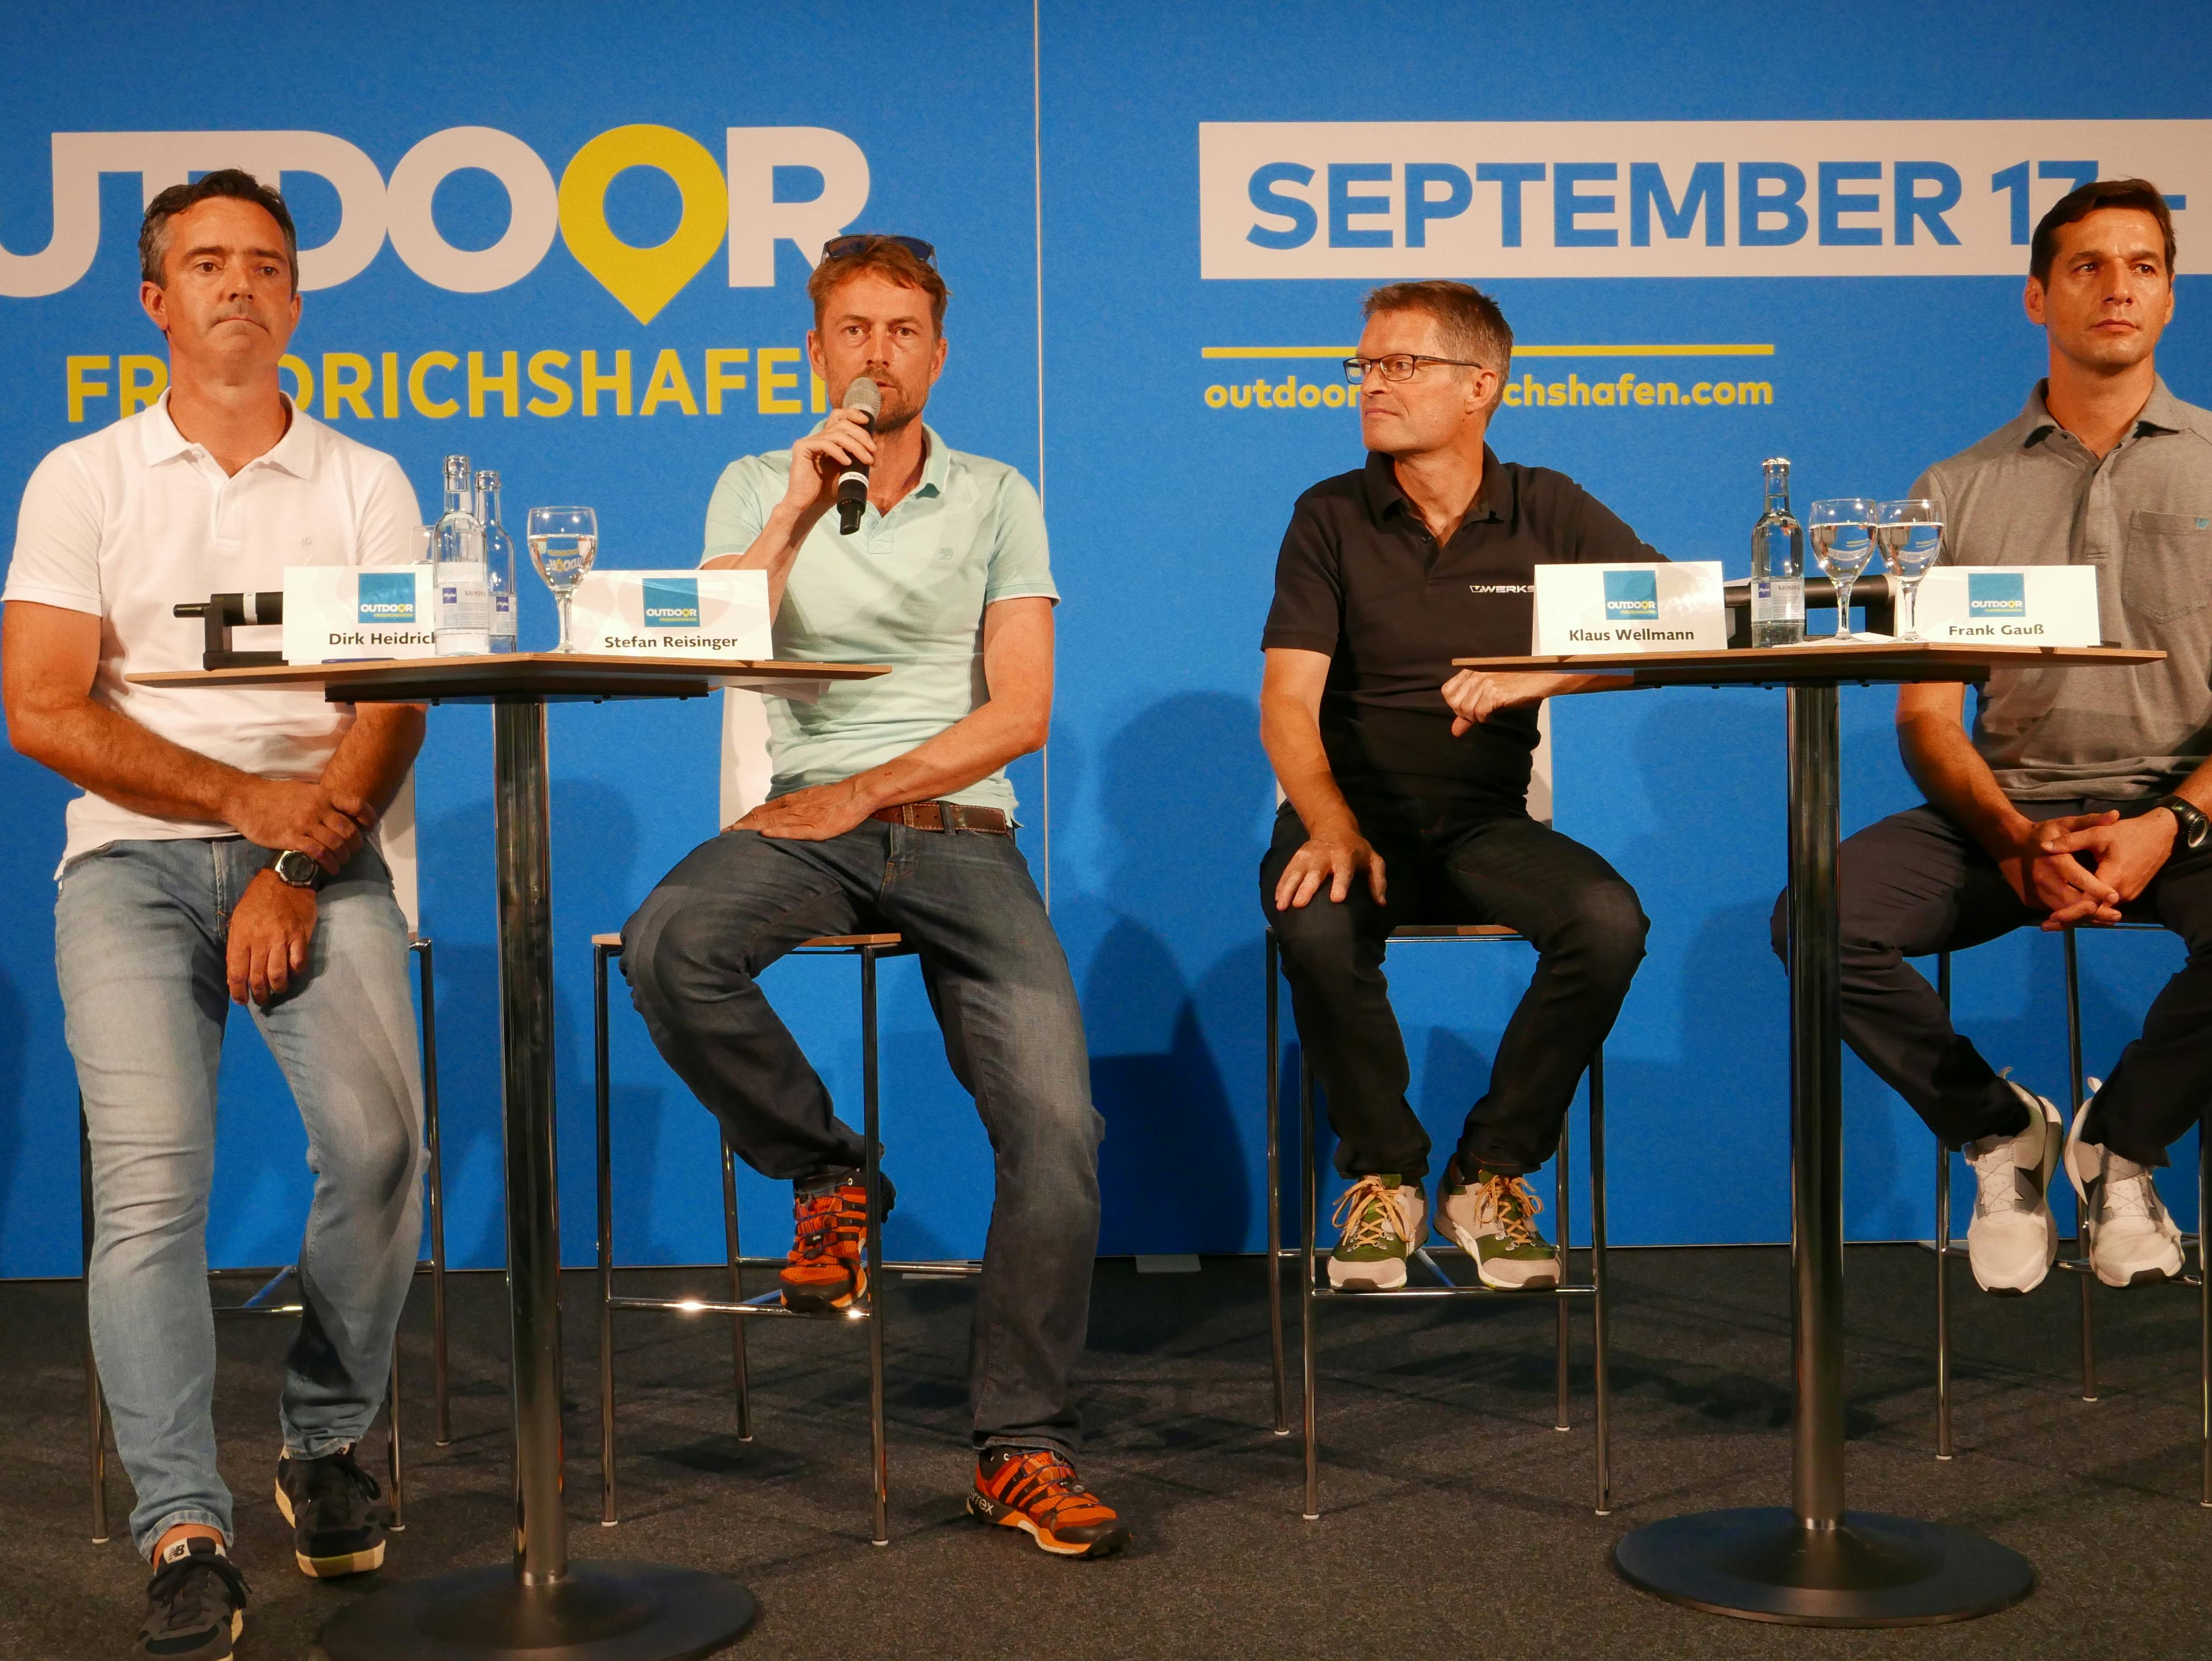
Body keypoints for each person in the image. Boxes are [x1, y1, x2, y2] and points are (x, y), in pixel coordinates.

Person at [621, 234, 1126, 1560]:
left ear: (938, 352)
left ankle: (1021, 1446)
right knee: (670, 940)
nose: (877, 353)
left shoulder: (999, 492)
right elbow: (703, 643)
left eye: (903, 330)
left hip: (956, 830)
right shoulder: (751, 480)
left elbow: (1019, 711)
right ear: (816, 348)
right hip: (806, 822)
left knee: (1060, 1126)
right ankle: (832, 1171)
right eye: (853, 329)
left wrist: (871, 788)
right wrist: (792, 506)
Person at [1, 171, 427, 1660]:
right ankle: (184, 1525)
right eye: (205, 264)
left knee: (382, 1149)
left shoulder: (366, 482)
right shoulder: (82, 479)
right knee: (154, 1196)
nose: (237, 286)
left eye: (264, 264)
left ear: (298, 301)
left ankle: (324, 1447)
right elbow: (44, 709)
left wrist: (296, 862)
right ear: (155, 302)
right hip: (129, 865)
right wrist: (237, 809)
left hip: (323, 860)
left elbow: (394, 700)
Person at [1782, 178, 2212, 1297]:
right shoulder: (1955, 491)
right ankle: (1997, 1131)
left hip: (2189, 809)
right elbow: (1926, 718)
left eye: (2144, 266)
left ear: (2169, 299)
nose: (2118, 286)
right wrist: (2015, 834)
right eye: (2087, 266)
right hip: (2006, 809)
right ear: (2035, 297)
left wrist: (2170, 822)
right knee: (1817, 919)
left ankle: (2120, 1146)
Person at [1259, 279, 1654, 1293]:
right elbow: (1287, 705)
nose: (1371, 385)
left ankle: (1490, 1175)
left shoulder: (1546, 504)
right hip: (1354, 815)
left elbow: (1676, 625)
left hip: (1482, 824)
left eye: (1400, 364)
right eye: (1365, 365)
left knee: (1606, 920)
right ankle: (1385, 1173)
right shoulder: (1330, 514)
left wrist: (1545, 672)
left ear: (1481, 385)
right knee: (1312, 917)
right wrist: (1331, 825)